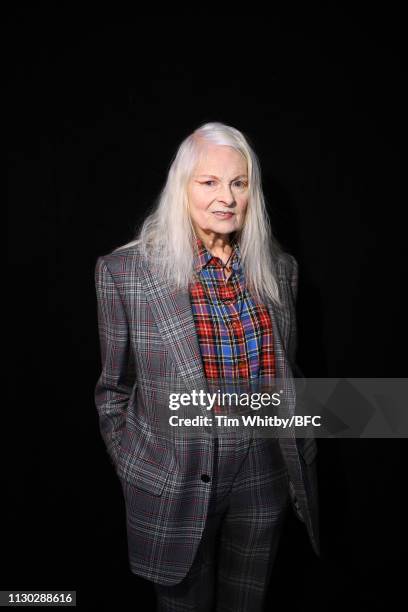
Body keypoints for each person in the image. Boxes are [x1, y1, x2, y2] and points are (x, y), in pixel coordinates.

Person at [94, 121, 319, 611]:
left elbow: (289, 373)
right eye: (209, 182)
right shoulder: (124, 272)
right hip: (178, 476)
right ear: (183, 188)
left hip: (263, 475)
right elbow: (113, 389)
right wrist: (136, 466)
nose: (227, 198)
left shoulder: (281, 270)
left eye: (239, 183)